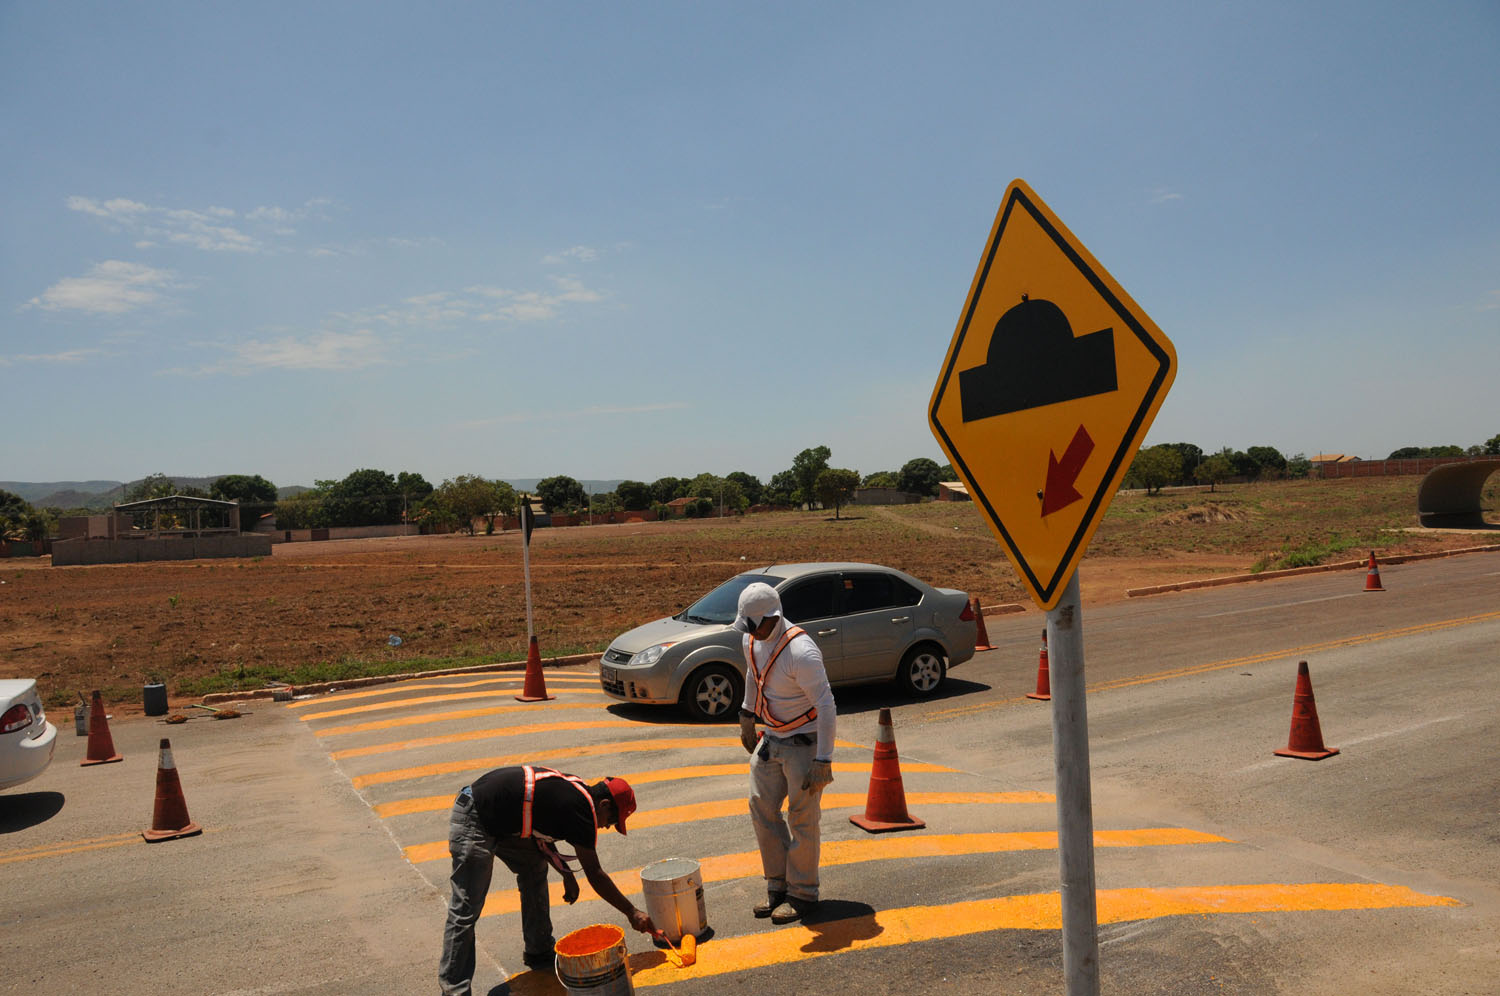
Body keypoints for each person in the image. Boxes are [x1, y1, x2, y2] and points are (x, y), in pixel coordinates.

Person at [439, 765, 656, 995]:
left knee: (533, 867)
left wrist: (566, 874)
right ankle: (455, 990)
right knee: (465, 910)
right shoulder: (582, 810)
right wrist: (631, 912)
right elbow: (594, 873)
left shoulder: (576, 792)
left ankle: (538, 950)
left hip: (499, 817)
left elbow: (541, 828)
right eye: (611, 822)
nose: (605, 827)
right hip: (476, 817)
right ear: (603, 805)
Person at [735, 581, 837, 924]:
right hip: (772, 739)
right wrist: (747, 714)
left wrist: (823, 760)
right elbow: (753, 672)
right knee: (761, 808)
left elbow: (826, 706)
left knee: (802, 819)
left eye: (756, 625)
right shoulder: (751, 638)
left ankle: (803, 893)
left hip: (805, 745)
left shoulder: (801, 652)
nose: (752, 633)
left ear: (774, 617)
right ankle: (778, 886)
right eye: (747, 626)